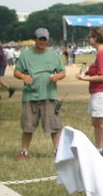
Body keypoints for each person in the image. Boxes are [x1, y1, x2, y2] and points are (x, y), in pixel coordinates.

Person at [13, 28, 66, 159]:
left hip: (49, 95)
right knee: (27, 126)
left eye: (44, 39)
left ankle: (57, 151)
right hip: (30, 96)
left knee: (54, 126)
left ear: (47, 40)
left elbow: (62, 72)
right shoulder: (26, 55)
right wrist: (24, 77)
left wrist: (57, 77)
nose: (42, 42)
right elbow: (17, 71)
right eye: (40, 39)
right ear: (35, 39)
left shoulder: (53, 55)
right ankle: (24, 151)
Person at [76, 27, 103, 156]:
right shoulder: (98, 53)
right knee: (96, 121)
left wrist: (84, 78)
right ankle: (98, 148)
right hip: (98, 92)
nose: (88, 39)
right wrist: (88, 71)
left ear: (96, 38)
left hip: (102, 92)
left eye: (90, 36)